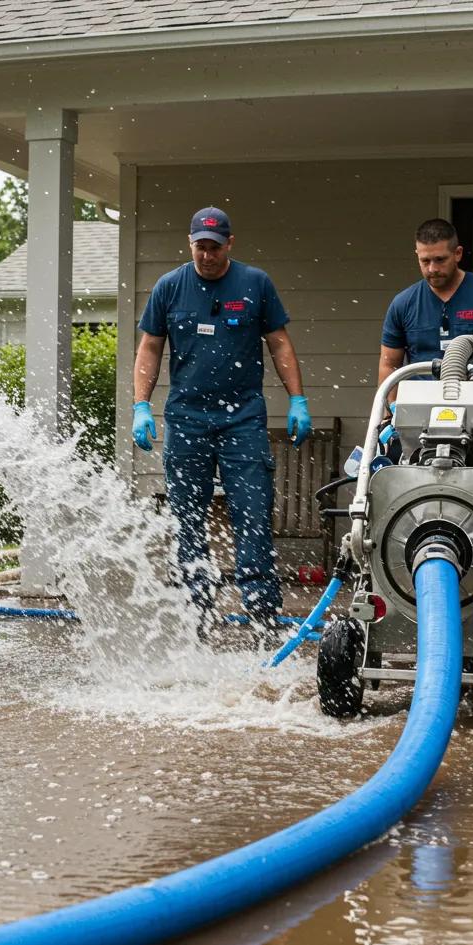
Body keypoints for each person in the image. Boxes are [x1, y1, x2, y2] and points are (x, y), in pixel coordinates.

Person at [132, 206, 311, 632]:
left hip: (242, 419)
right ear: (190, 244)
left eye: (214, 247)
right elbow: (151, 347)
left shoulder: (255, 284)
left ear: (230, 244)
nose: (207, 256)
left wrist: (298, 399)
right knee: (187, 517)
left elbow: (279, 344)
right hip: (187, 418)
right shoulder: (170, 287)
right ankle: (197, 607)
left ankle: (263, 612)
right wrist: (141, 404)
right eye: (200, 247)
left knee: (252, 514)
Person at [378, 218, 473, 390]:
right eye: (425, 261)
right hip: (420, 406)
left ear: (458, 253)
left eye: (440, 259)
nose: (432, 268)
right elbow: (389, 365)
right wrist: (389, 412)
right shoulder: (403, 304)